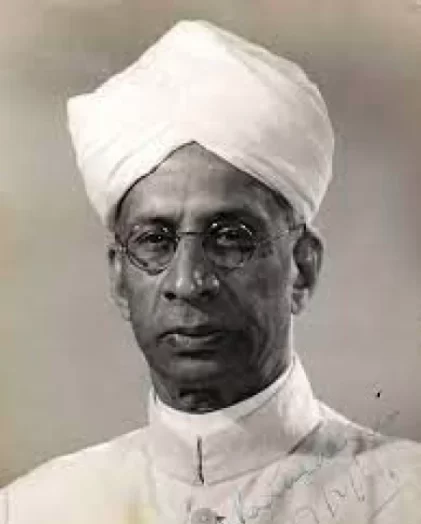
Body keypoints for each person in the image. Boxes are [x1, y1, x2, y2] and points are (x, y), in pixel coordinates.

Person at [1, 19, 420, 524]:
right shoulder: (34, 509)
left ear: (302, 268)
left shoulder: (404, 498)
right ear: (118, 278)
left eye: (230, 237)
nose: (188, 282)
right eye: (155, 241)